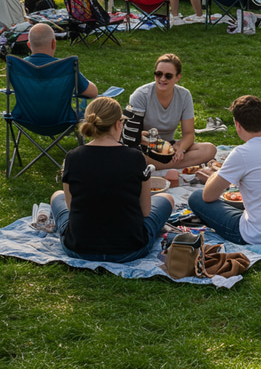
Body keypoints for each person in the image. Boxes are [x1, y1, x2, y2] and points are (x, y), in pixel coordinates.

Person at [50, 97, 175, 263]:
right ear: (118, 124)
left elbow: (70, 207)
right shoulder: (135, 157)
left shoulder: (72, 157)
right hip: (130, 249)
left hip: (79, 248)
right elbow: (145, 211)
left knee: (56, 196)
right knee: (167, 198)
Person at [189, 95, 261, 245]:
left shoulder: (242, 153)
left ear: (237, 125)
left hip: (258, 235)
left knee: (196, 197)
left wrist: (213, 175)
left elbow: (208, 196)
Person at [129, 53, 216, 170]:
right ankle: (168, 164)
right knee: (133, 156)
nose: (162, 79)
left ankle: (158, 165)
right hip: (145, 147)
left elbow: (189, 133)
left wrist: (181, 149)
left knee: (209, 149)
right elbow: (132, 136)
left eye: (168, 76)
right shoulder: (141, 95)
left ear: (177, 77)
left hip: (170, 147)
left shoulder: (184, 95)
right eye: (158, 74)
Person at [27, 23, 98, 99]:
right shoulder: (65, 66)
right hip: (59, 111)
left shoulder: (19, 65)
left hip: (24, 111)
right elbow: (92, 93)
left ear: (28, 45)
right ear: (53, 44)